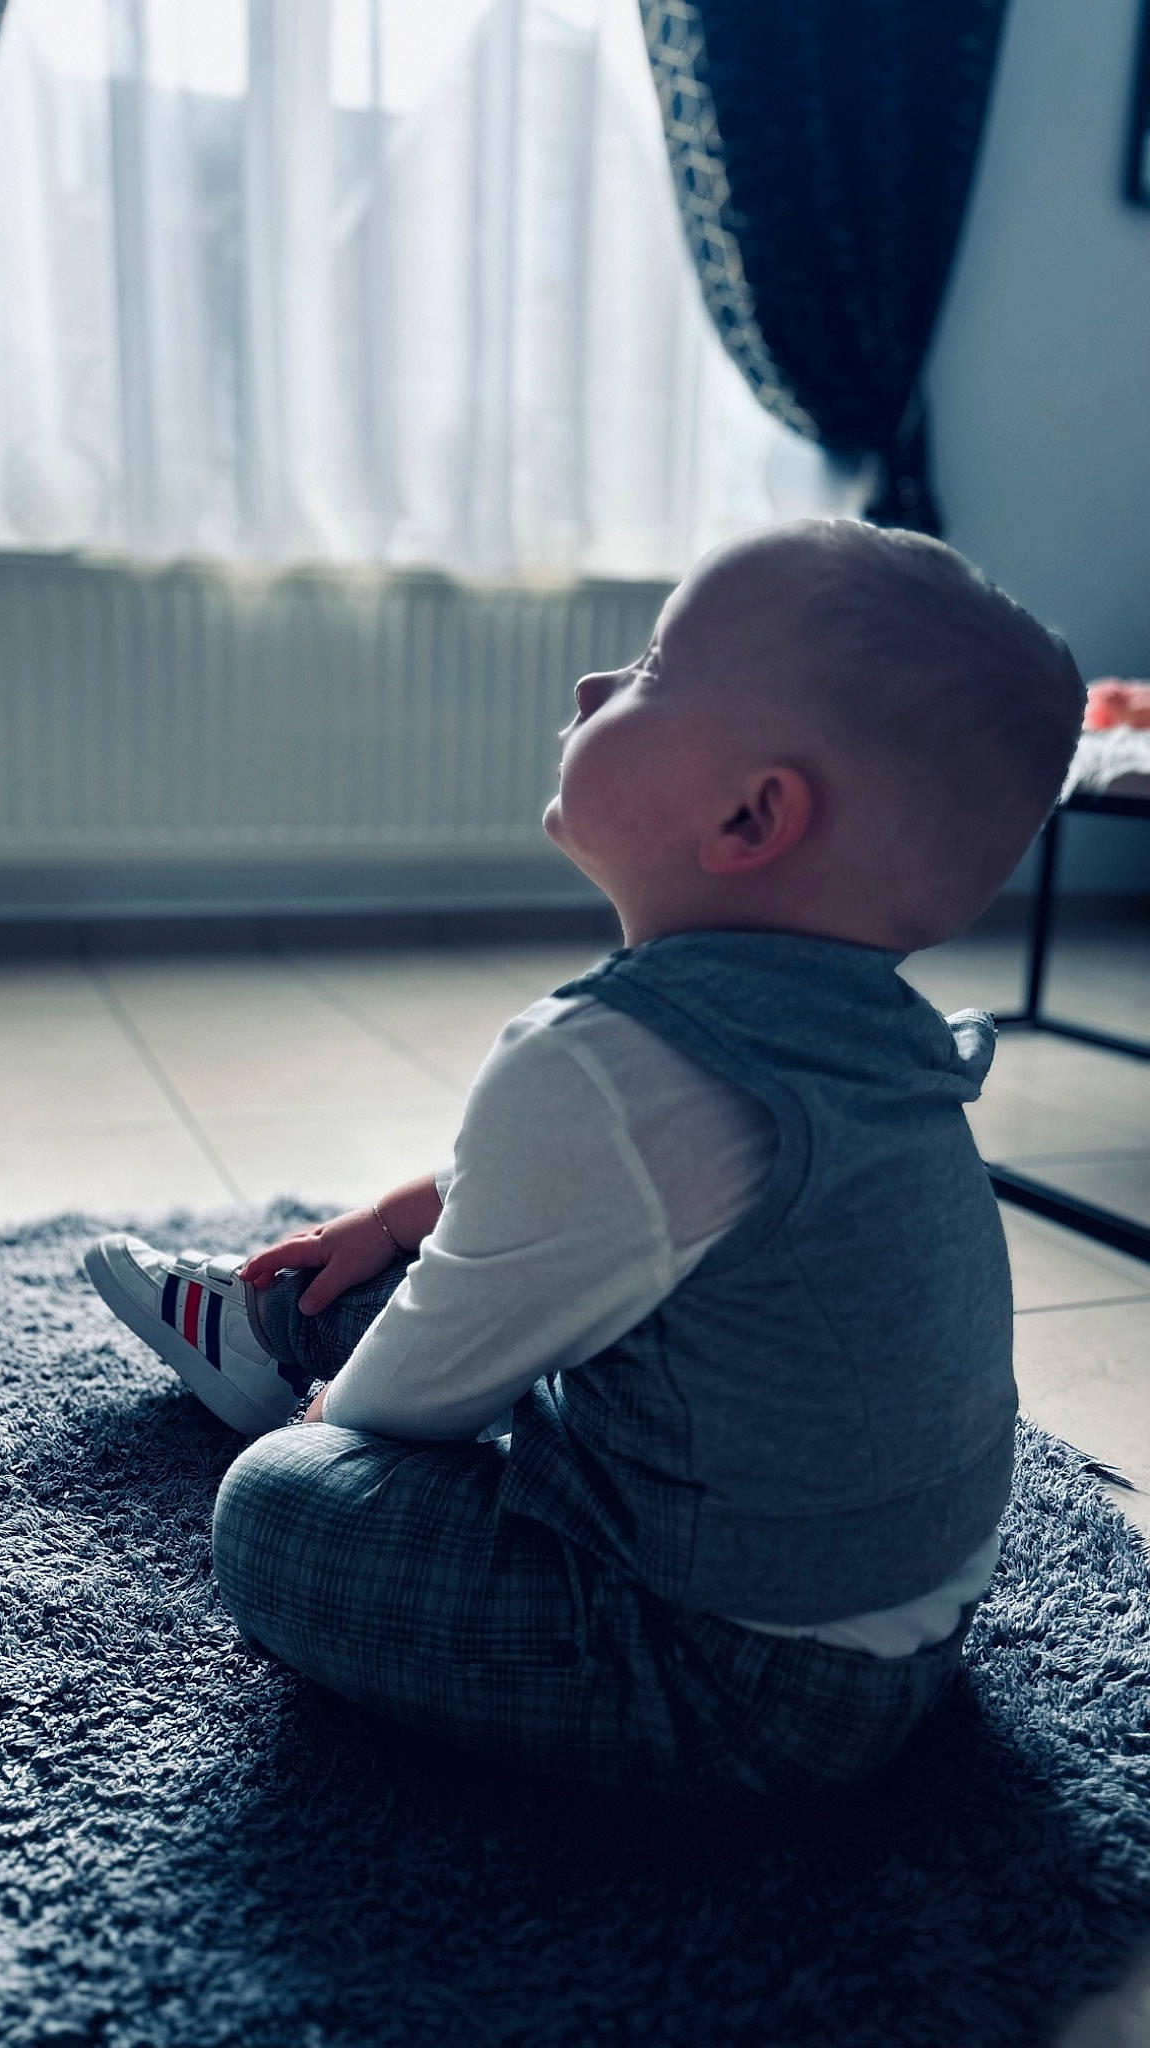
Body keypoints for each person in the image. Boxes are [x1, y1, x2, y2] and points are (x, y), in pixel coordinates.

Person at [84, 516, 1086, 1808]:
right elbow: (628, 1202)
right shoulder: (862, 1029)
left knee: (273, 1509)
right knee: (497, 1262)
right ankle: (300, 1317)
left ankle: (272, 1359)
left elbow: (417, 1395)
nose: (590, 689)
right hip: (911, 1624)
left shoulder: (604, 1068)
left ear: (750, 815)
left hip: (737, 1683)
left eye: (652, 672)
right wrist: (400, 1221)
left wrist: (339, 1431)